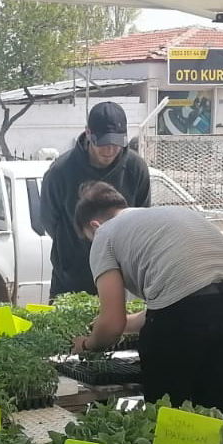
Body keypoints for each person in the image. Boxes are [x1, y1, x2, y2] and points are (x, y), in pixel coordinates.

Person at [69, 182, 223, 417]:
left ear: (94, 225)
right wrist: (127, 324)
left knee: (170, 412)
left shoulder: (104, 233)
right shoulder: (163, 215)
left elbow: (113, 324)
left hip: (186, 311)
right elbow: (178, 299)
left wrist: (86, 344)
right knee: (211, 405)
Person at [41, 102, 152, 298]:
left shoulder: (136, 169)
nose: (110, 150)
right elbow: (50, 221)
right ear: (88, 133)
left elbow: (142, 220)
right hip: (70, 277)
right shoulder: (60, 171)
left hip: (118, 276)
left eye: (116, 143)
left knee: (114, 326)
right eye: (103, 143)